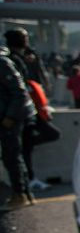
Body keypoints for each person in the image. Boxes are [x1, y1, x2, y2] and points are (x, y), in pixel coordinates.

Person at [0, 44, 35, 211]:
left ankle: (20, 194)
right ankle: (24, 193)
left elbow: (20, 93)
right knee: (13, 156)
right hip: (7, 116)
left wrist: (10, 117)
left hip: (9, 119)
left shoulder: (2, 62)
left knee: (12, 157)